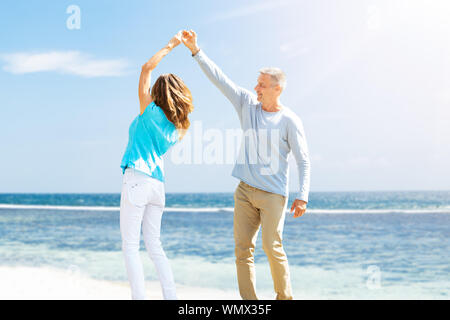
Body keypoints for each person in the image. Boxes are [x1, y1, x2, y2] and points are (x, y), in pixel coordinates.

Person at [181, 30, 311, 300]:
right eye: (257, 83)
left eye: (262, 84)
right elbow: (220, 79)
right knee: (242, 250)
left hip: (274, 196)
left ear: (277, 88)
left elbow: (303, 160)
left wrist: (302, 196)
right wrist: (196, 51)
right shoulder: (247, 104)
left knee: (271, 245)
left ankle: (284, 297)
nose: (256, 88)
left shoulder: (290, 120)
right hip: (244, 192)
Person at [119, 31, 194, 300]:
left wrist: (172, 44)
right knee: (155, 247)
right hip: (158, 185)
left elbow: (146, 67)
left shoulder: (148, 109)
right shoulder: (177, 126)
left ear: (156, 93)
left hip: (137, 179)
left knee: (130, 246)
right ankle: (171, 297)